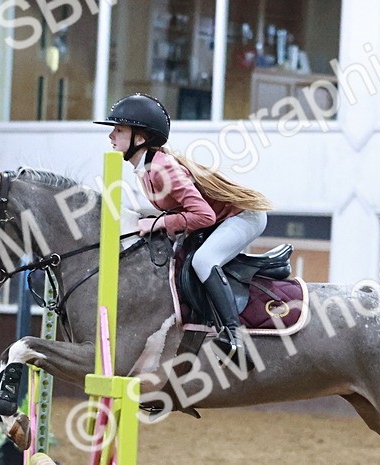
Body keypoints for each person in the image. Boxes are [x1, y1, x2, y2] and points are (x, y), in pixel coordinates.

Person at [94, 93, 273, 367]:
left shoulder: (162, 168)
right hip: (218, 221)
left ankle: (234, 337)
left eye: (118, 130)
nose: (111, 137)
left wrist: (156, 223)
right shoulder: (145, 169)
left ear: (140, 138)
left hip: (243, 217)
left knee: (203, 260)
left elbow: (203, 215)